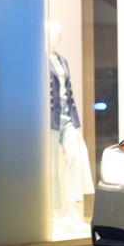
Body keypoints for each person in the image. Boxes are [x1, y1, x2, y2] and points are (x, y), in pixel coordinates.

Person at [46, 19, 93, 232]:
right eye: (54, 34)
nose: (57, 38)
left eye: (59, 34)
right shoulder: (40, 61)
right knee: (52, 166)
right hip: (49, 118)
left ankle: (72, 210)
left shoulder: (62, 60)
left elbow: (68, 90)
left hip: (66, 117)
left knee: (75, 156)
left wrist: (74, 119)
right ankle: (55, 211)